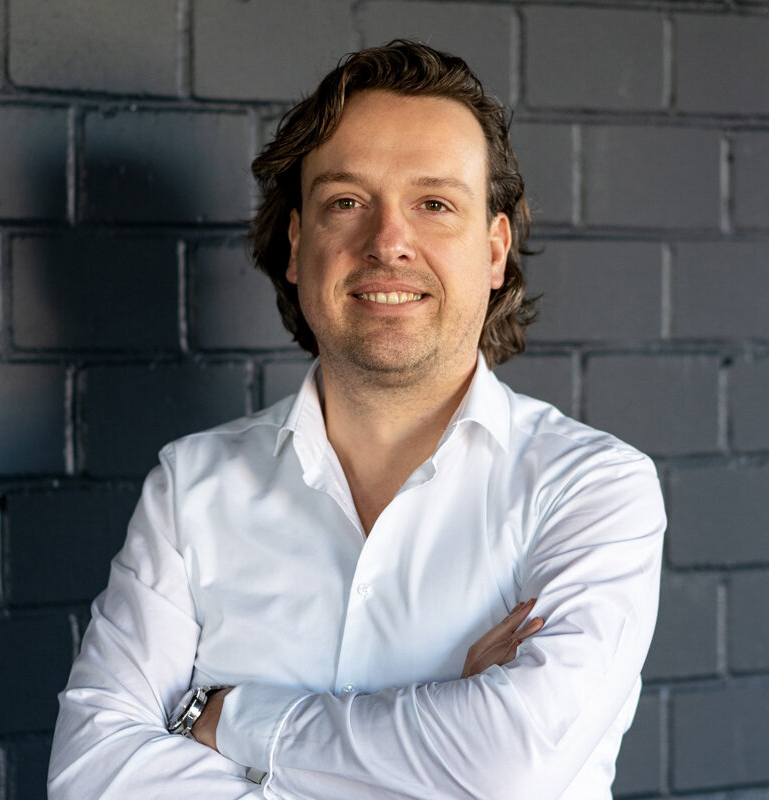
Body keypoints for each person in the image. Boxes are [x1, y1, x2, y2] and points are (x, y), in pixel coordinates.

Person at [48, 40, 665, 799]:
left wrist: (231, 717)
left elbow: (511, 766)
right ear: (297, 246)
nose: (388, 242)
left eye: (434, 204)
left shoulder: (593, 489)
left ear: (494, 250)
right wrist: (441, 732)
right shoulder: (191, 486)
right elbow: (90, 775)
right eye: (346, 202)